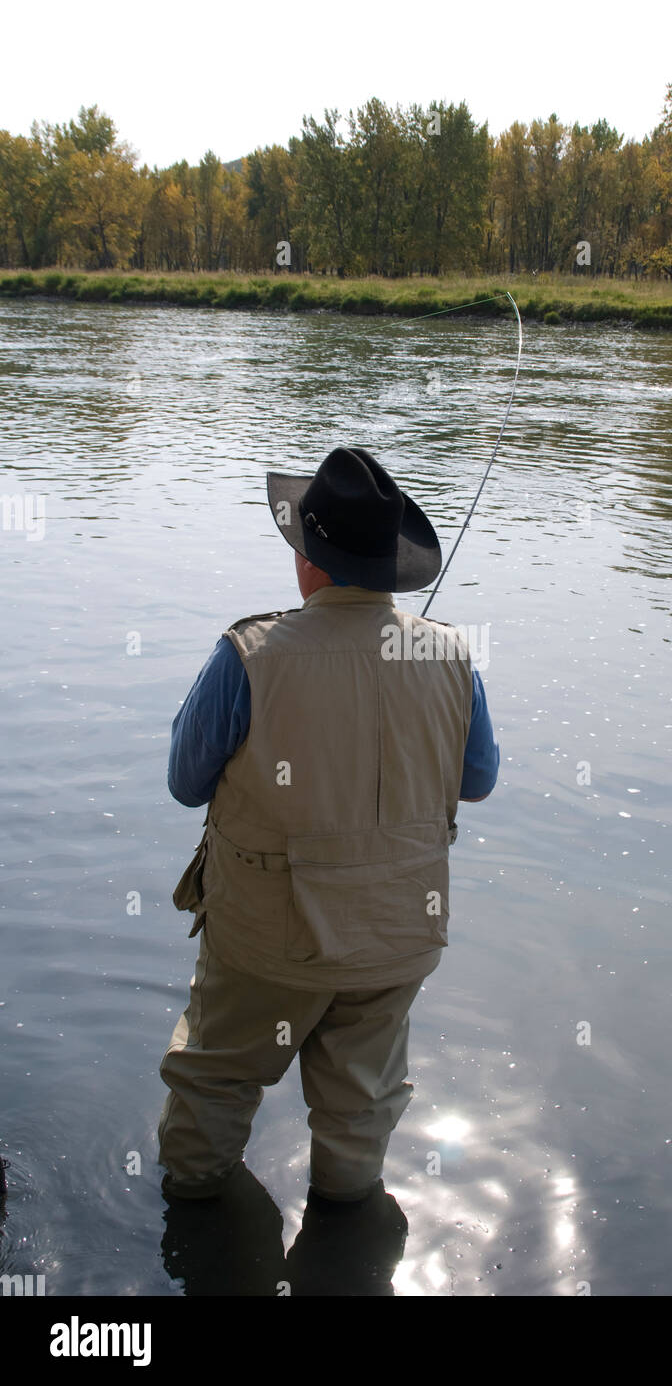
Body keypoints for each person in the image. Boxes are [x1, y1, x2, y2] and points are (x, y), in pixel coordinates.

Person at [157, 445, 499, 1206]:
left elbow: (185, 784)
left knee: (215, 1080)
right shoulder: (451, 655)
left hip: (264, 939)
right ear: (390, 566)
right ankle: (346, 1227)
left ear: (310, 560)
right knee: (361, 1106)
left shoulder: (247, 653)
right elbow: (478, 783)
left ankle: (193, 1218)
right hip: (397, 935)